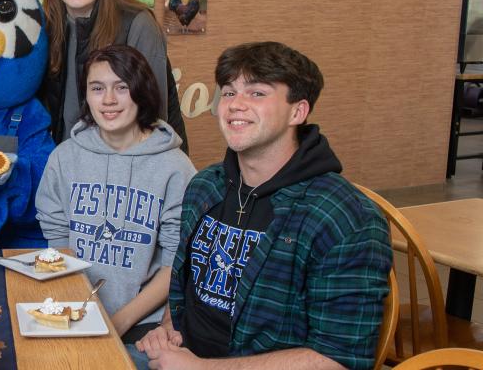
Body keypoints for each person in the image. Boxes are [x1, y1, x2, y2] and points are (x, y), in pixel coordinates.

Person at [135, 42, 392, 370]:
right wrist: (168, 330)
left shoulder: (344, 217)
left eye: (257, 93)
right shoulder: (204, 186)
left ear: (297, 111)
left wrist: (201, 368)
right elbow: (185, 291)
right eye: (228, 93)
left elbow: (338, 360)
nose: (235, 105)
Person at [36, 45, 194, 349]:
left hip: (144, 327)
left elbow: (175, 262)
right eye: (97, 88)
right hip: (76, 314)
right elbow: (58, 240)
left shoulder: (176, 167)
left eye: (121, 87)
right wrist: (74, 309)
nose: (108, 100)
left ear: (141, 91)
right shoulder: (64, 158)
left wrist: (118, 323)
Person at [39, 0, 189, 152]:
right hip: (69, 159)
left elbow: (154, 117)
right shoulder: (47, 25)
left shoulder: (138, 24)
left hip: (128, 163)